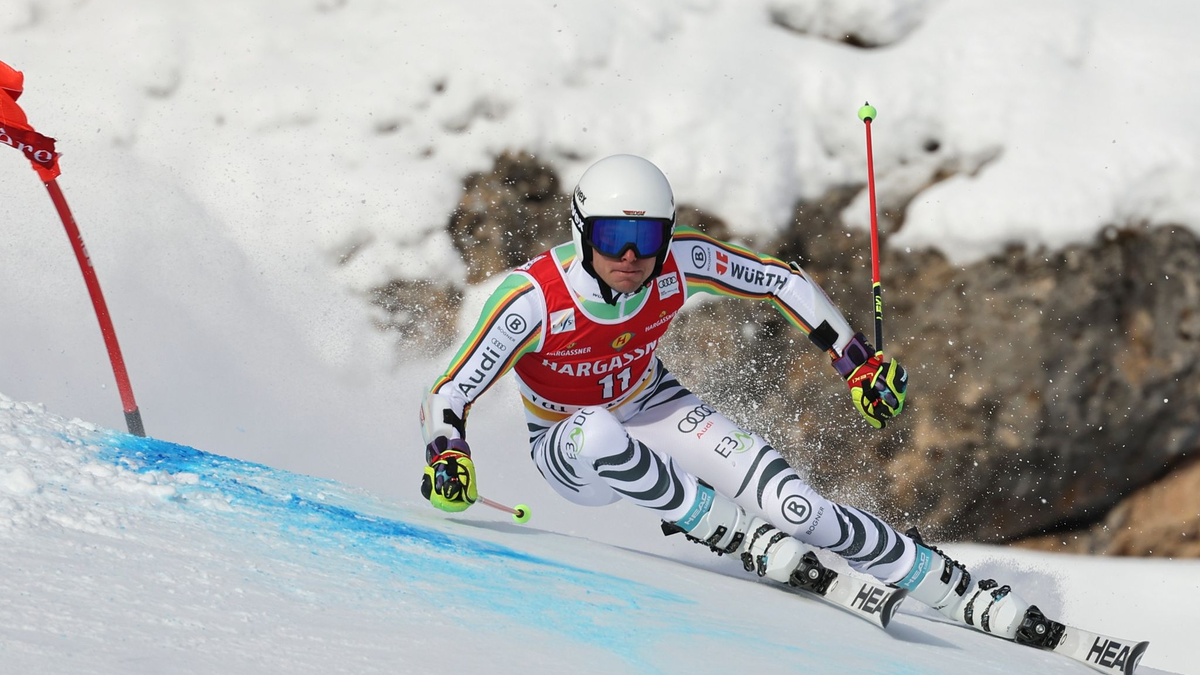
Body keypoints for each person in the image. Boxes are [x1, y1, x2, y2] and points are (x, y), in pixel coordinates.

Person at [419, 154, 1033, 639]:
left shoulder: (679, 261)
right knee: (601, 432)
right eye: (611, 236)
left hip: (653, 403)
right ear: (582, 232)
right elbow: (449, 393)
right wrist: (447, 453)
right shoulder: (532, 301)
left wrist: (855, 363)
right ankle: (729, 533)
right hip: (568, 443)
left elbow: (779, 281)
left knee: (797, 508)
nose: (630, 256)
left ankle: (947, 584)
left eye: (646, 238)